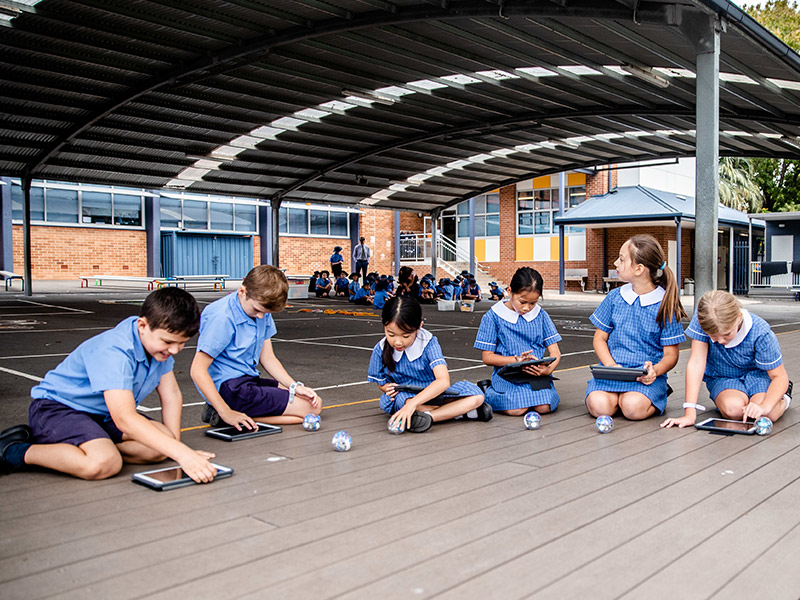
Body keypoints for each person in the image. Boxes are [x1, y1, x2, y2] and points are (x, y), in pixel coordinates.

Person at [0, 288, 219, 482]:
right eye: (169, 342)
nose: (174, 350)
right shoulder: (115, 351)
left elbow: (171, 394)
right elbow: (124, 418)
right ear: (142, 325)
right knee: (103, 464)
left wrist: (176, 449)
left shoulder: (155, 347)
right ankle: (14, 451)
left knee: (160, 448)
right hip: (59, 410)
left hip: (103, 414)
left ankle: (90, 445)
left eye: (182, 343)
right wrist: (182, 454)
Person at [191, 265, 322, 430]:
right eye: (257, 310)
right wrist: (225, 411)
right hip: (229, 389)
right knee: (312, 409)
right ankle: (226, 416)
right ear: (242, 291)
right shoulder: (222, 317)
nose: (261, 317)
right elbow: (197, 370)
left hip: (248, 380)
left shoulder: (261, 311)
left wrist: (295, 386)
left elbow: (268, 358)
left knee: (311, 400)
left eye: (266, 313)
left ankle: (239, 415)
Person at [586, 234, 686, 420]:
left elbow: (671, 356)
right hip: (612, 373)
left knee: (632, 409)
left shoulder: (665, 304)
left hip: (645, 378)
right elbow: (599, 338)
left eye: (622, 259)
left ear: (639, 269)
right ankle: (619, 399)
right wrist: (610, 365)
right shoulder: (614, 297)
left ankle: (652, 395)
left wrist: (655, 371)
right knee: (599, 406)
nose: (616, 263)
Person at [661, 290, 792, 429]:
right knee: (733, 410)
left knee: (765, 414)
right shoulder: (703, 320)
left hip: (758, 376)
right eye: (713, 336)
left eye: (727, 334)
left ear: (739, 317)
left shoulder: (761, 332)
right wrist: (689, 412)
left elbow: (779, 376)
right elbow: (696, 363)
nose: (720, 341)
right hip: (723, 376)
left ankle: (784, 399)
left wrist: (765, 406)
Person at [368, 296, 490, 433]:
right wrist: (387, 388)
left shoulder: (428, 343)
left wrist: (414, 404)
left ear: (419, 326)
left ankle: (428, 416)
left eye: (405, 336)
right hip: (406, 395)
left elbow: (443, 381)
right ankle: (457, 413)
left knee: (477, 396)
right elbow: (381, 382)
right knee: (402, 401)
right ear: (383, 324)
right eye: (391, 334)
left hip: (433, 393)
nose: (397, 342)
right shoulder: (380, 348)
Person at [475, 267, 562, 416]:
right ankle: (488, 392)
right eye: (522, 301)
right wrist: (516, 360)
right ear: (510, 291)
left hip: (535, 374)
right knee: (517, 409)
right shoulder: (492, 317)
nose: (527, 308)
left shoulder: (541, 315)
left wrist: (548, 370)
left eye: (533, 303)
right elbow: (487, 357)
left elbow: (555, 352)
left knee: (544, 407)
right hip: (507, 375)